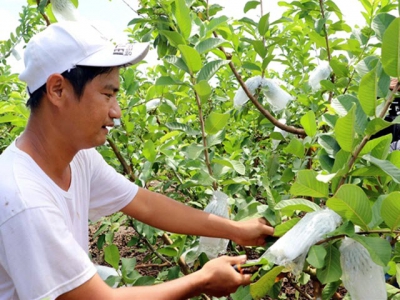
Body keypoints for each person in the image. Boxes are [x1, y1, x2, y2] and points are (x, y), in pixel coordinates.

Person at [0, 21, 274, 300]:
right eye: (107, 95)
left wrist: (237, 230)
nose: (116, 112)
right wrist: (201, 280)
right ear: (58, 90)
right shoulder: (24, 200)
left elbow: (144, 203)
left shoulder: (79, 159)